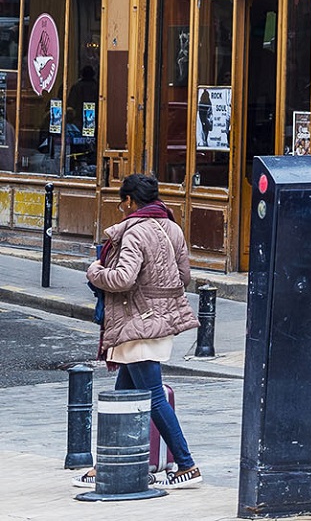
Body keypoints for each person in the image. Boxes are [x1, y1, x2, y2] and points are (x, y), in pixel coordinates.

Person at [84, 172, 202, 490]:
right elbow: (184, 277)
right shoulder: (173, 228)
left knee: (152, 397)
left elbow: (123, 279)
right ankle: (103, 465)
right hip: (160, 321)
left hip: (137, 323)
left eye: (123, 203)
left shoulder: (134, 232)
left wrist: (95, 271)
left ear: (130, 201)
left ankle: (187, 464)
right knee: (122, 397)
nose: (122, 209)